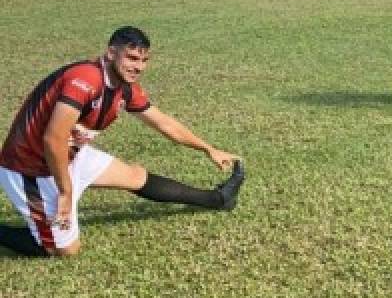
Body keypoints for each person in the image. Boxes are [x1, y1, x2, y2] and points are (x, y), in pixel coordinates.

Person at [0, 27, 246, 258]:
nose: (138, 67)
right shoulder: (85, 79)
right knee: (63, 249)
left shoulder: (124, 88)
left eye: (143, 60)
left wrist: (208, 148)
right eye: (131, 58)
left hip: (69, 154)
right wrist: (66, 191)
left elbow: (164, 123)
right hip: (32, 166)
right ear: (110, 53)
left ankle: (219, 199)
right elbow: (53, 139)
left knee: (133, 176)